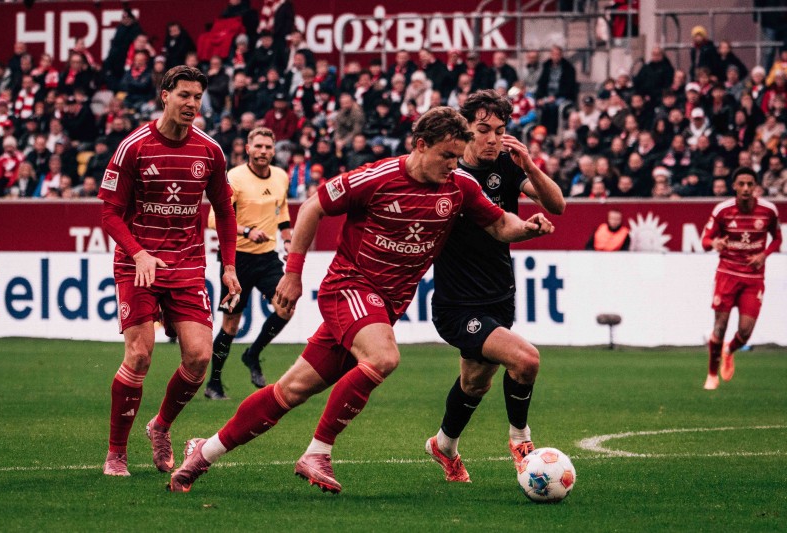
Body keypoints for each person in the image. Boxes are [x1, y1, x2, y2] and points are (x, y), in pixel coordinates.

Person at [167, 106, 554, 494]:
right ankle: (318, 452)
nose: (454, 165)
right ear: (421, 145)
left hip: (383, 306)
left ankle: (204, 451)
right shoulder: (378, 177)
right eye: (447, 156)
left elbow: (500, 224)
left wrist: (527, 227)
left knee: (291, 390)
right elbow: (314, 206)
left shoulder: (458, 187)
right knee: (384, 357)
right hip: (350, 288)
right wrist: (293, 273)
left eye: (457, 157)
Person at [99, 65, 241, 476]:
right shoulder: (134, 147)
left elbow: (224, 212)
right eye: (184, 95)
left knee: (199, 357)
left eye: (197, 97)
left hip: (187, 264)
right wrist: (138, 253)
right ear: (165, 95)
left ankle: (160, 426)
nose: (191, 104)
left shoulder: (210, 151)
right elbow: (109, 214)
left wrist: (229, 265)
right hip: (138, 264)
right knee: (139, 355)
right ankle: (116, 453)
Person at [425, 90, 565, 483]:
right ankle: (521, 441)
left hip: (499, 295)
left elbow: (557, 205)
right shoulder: (449, 173)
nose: (493, 139)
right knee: (526, 360)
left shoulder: (507, 165)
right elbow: (500, 225)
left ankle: (444, 445)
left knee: (475, 382)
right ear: (465, 129)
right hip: (457, 303)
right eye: (484, 129)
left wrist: (530, 166)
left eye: (500, 131)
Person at [205, 126, 293, 398]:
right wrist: (246, 231)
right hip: (236, 260)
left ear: (273, 150)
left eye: (268, 147)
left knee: (286, 306)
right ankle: (213, 383)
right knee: (231, 325)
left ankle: (252, 353)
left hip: (267, 257)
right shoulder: (235, 177)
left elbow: (282, 210)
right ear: (248, 149)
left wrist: (288, 240)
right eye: (258, 146)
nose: (263, 151)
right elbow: (213, 219)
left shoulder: (280, 176)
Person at [700, 167, 782, 390]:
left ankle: (729, 350)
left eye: (750, 184)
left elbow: (777, 239)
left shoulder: (768, 210)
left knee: (745, 332)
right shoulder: (723, 210)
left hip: (754, 278)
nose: (746, 188)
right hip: (727, 274)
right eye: (741, 184)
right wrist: (715, 243)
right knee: (720, 326)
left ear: (756, 186)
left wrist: (764, 255)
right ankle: (711, 375)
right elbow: (705, 241)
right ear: (734, 186)